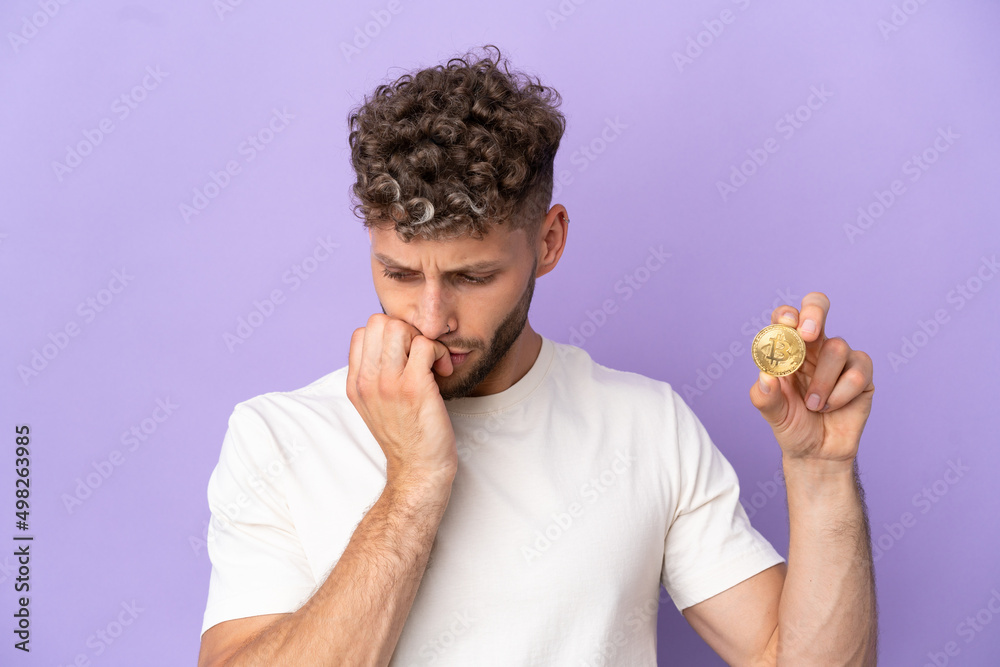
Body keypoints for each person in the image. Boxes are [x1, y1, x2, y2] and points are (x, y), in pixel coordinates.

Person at [197, 45, 878, 666]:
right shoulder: (277, 438)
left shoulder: (646, 425)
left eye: (472, 276)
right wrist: (413, 486)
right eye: (400, 274)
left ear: (547, 242)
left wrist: (821, 474)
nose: (431, 320)